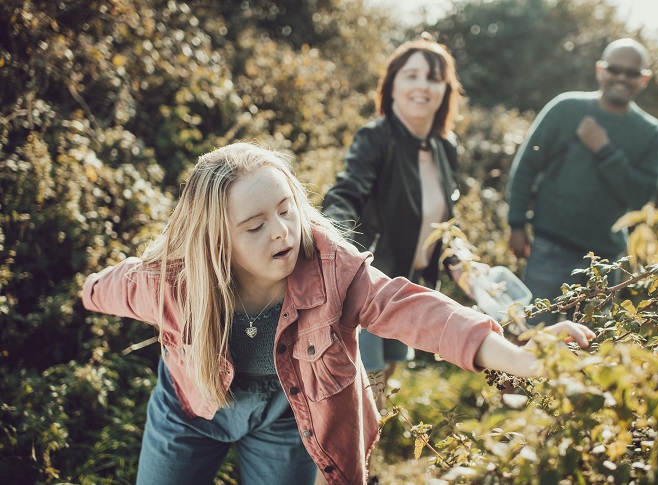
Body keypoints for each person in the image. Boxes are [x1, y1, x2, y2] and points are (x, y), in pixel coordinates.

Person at [82, 142, 595, 485]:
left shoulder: (332, 269)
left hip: (288, 416)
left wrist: (523, 359)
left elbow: (415, 309)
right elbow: (109, 287)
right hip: (190, 411)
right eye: (254, 225)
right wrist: (86, 289)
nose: (281, 231)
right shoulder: (169, 284)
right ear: (218, 240)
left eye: (285, 209)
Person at [321, 36, 467, 399]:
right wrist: (333, 246)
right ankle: (351, 456)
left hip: (411, 285)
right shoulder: (376, 137)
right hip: (370, 281)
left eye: (432, 78)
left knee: (385, 382)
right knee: (363, 388)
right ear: (393, 85)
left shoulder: (445, 148)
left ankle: (372, 453)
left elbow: (444, 223)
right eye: (411, 75)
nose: (422, 85)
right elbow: (346, 193)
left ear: (444, 89)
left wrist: (461, 260)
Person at [507, 38, 658, 326]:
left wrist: (604, 149)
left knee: (588, 348)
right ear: (600, 70)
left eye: (631, 73)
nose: (621, 77)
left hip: (604, 261)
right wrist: (516, 224)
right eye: (614, 69)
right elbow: (526, 166)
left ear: (644, 79)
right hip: (548, 247)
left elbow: (642, 196)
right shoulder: (565, 108)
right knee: (532, 334)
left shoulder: (651, 132)